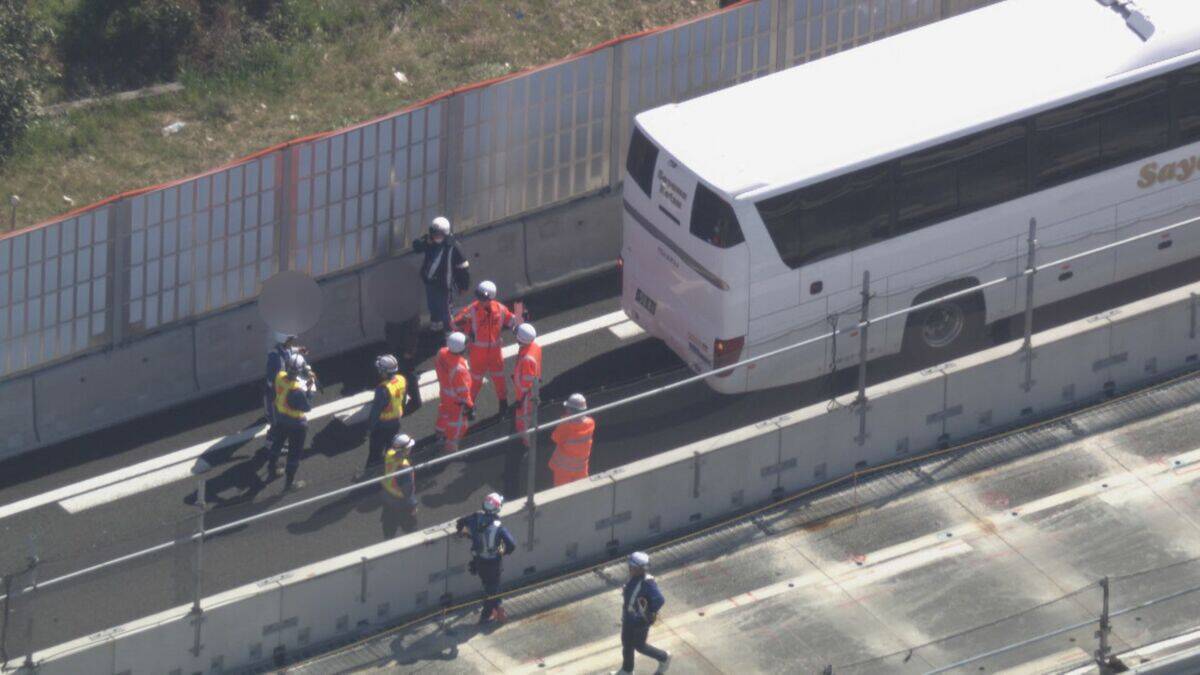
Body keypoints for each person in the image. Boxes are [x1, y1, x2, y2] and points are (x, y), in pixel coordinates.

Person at [453, 280, 519, 415]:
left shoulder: (500, 309)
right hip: (477, 353)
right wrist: (461, 321)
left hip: (495, 352)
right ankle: (469, 406)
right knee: (475, 381)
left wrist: (520, 320)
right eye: (479, 297)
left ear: (491, 298)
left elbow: (512, 320)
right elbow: (455, 324)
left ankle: (503, 404)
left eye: (483, 298)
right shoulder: (471, 310)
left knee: (499, 379)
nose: (480, 300)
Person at [455, 492, 516, 625]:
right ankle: (490, 613)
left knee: (489, 586)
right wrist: (501, 551)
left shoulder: (475, 518)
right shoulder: (498, 527)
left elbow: (460, 523)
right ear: (498, 508)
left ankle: (495, 608)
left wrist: (465, 534)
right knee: (492, 589)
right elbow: (511, 545)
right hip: (494, 563)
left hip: (479, 561)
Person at [361, 354, 419, 479]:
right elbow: (403, 400)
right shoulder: (401, 379)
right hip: (396, 422)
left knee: (375, 452)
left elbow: (376, 411)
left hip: (382, 425)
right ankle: (391, 471)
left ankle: (369, 475)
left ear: (383, 372)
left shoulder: (382, 389)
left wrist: (369, 428)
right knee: (391, 450)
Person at [612, 551, 670, 674]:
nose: (629, 568)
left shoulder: (647, 582)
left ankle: (664, 657)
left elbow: (659, 600)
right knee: (627, 644)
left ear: (638, 568)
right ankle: (627, 670)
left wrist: (647, 612)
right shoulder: (635, 578)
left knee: (639, 646)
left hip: (639, 621)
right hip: (629, 618)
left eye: (632, 566)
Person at [267, 352, 314, 492]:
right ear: (300, 370)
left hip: (281, 418)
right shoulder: (297, 390)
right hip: (296, 424)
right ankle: (289, 483)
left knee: (277, 443)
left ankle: (272, 468)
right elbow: (307, 407)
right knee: (294, 453)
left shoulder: (279, 376)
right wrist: (310, 391)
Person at [413, 216, 470, 332]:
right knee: (432, 307)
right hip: (430, 282)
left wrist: (463, 286)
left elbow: (463, 269)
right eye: (434, 234)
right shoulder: (430, 241)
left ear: (446, 234)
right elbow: (416, 247)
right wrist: (424, 242)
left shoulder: (454, 247)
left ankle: (449, 333)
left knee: (446, 311)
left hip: (444, 285)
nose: (436, 237)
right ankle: (436, 328)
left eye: (438, 235)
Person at [435, 332, 475, 454]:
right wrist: (470, 406)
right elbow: (463, 391)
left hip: (445, 394)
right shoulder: (459, 369)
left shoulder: (442, 353)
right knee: (458, 426)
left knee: (444, 414)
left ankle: (439, 433)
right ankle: (451, 450)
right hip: (456, 401)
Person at [548, 393, 595, 487]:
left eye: (568, 408)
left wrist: (563, 420)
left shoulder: (565, 425)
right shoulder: (591, 423)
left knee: (561, 494)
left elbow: (555, 438)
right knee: (581, 493)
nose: (566, 410)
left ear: (571, 410)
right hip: (581, 469)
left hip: (563, 470)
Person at [263, 332, 300, 446]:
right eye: (290, 340)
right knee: (277, 421)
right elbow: (274, 379)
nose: (292, 342)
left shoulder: (283, 350)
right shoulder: (276, 358)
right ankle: (271, 442)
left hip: (280, 391)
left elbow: (289, 352)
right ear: (285, 341)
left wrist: (299, 349)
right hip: (275, 393)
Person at [381, 434, 419, 537]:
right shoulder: (404, 467)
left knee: (389, 528)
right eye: (409, 447)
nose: (410, 449)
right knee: (411, 528)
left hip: (388, 496)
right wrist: (412, 506)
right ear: (404, 449)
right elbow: (407, 491)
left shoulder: (389, 454)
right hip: (402, 502)